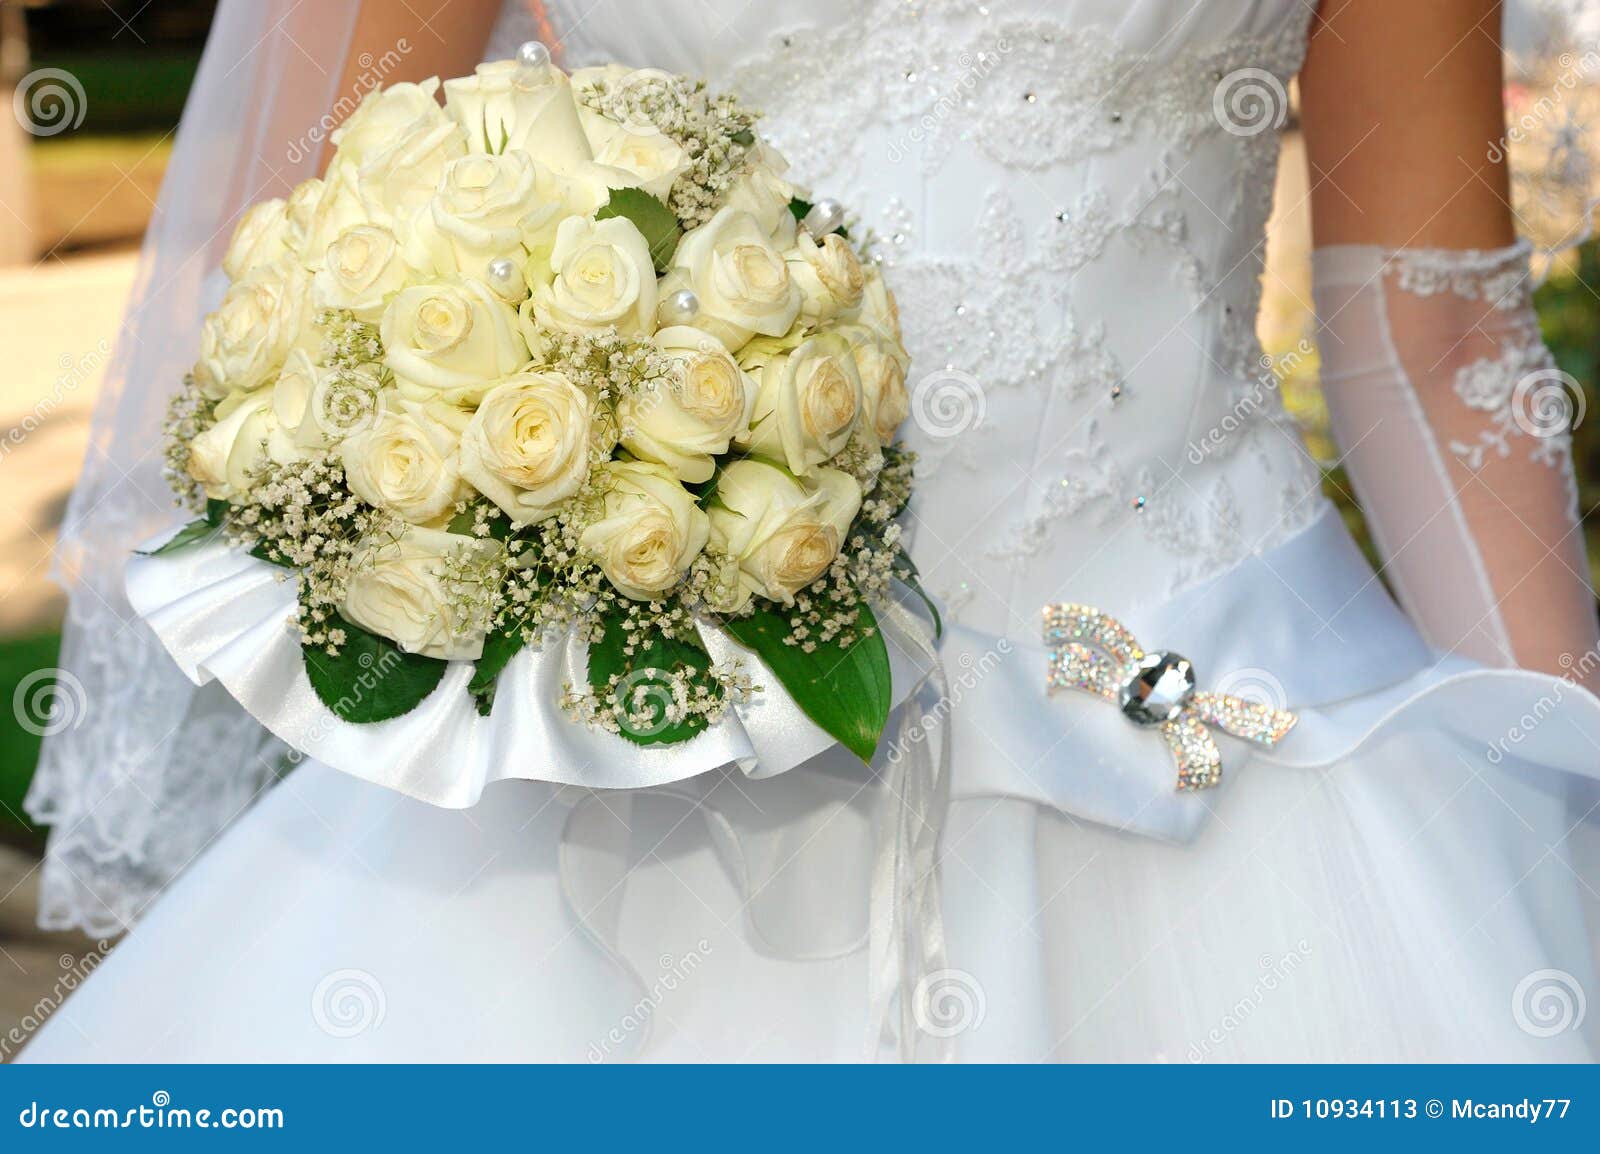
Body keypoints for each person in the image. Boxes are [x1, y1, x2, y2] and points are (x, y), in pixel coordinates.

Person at [21, 0, 1600, 1061]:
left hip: (1226, 733)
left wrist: (1565, 785)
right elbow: (315, 233)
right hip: (627, 788)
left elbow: (1432, 328)